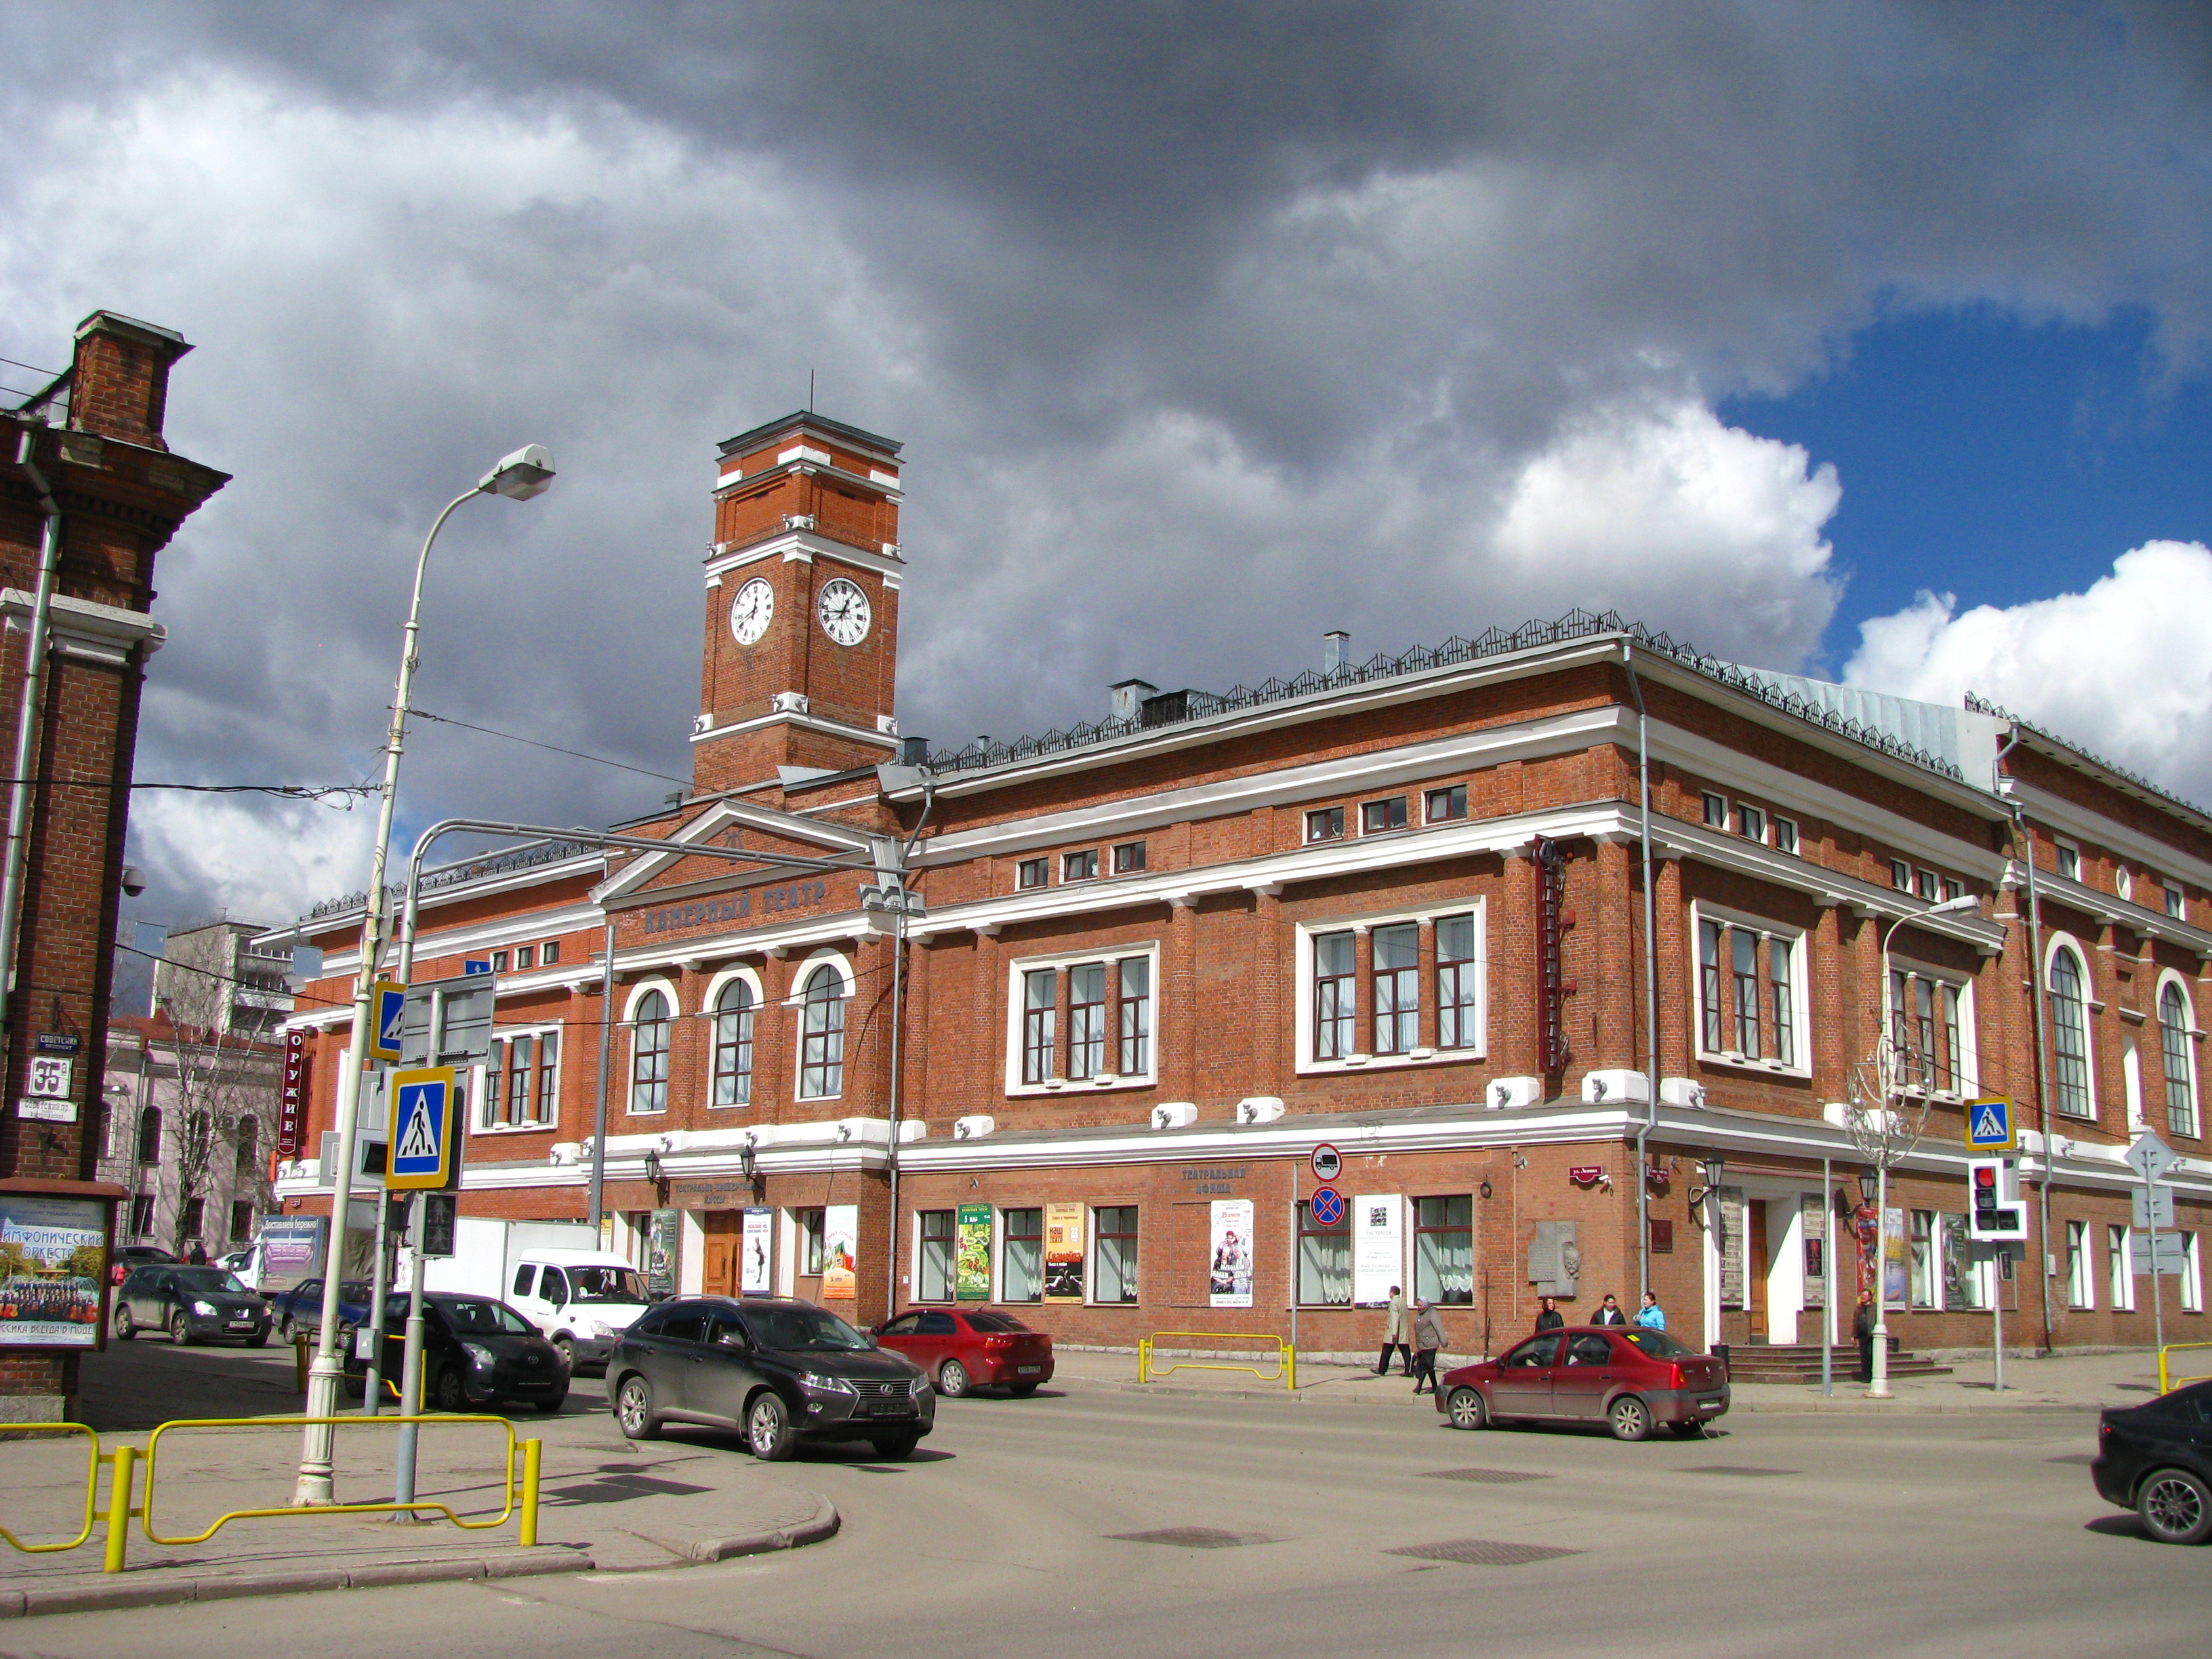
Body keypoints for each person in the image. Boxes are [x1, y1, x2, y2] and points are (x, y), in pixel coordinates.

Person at [1411, 1299, 1446, 1394]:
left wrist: (1444, 1341)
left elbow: (1439, 1328)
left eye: (1421, 1305)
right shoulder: (1419, 1314)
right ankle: (1435, 1386)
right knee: (1428, 1366)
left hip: (1431, 1344)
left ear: (1426, 1305)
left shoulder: (1432, 1313)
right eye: (1418, 1306)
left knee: (1425, 1365)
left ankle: (1419, 1386)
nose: (1419, 1308)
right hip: (1422, 1344)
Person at [1376, 1285, 1412, 1376]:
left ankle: (1382, 1369)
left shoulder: (1394, 1303)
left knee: (1386, 1351)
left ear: (1392, 1293)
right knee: (1405, 1351)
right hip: (1403, 1330)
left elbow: (1395, 1318)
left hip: (1394, 1331)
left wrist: (1394, 1333)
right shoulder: (1403, 1302)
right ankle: (1409, 1370)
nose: (1389, 1294)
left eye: (1390, 1292)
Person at [1853, 1288, 1876, 1384]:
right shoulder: (1859, 1308)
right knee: (1864, 1357)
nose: (1863, 1298)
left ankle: (1874, 1375)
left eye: (1865, 1296)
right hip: (1862, 1335)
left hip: (1871, 1335)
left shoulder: (1875, 1308)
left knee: (1871, 1355)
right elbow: (1855, 1322)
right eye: (1862, 1296)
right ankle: (1866, 1376)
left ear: (1870, 1297)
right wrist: (1854, 1335)